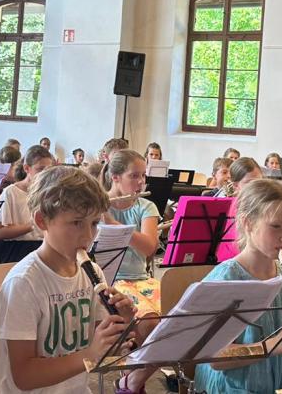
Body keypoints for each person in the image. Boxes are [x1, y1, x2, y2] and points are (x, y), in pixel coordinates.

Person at [0, 166, 140, 393]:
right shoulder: (24, 283)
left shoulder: (91, 271)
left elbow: (102, 354)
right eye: (76, 223)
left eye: (94, 223)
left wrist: (120, 325)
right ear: (42, 221)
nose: (88, 236)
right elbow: (23, 376)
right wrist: (88, 355)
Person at [194, 179, 282, 393]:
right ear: (248, 222)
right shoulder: (226, 280)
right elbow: (214, 358)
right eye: (275, 226)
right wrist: (275, 344)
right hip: (235, 386)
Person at [101, 149, 161, 393]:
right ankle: (134, 380)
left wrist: (113, 223)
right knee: (150, 324)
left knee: (180, 321)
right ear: (115, 177)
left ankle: (131, 380)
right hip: (110, 282)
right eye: (134, 176)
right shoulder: (98, 203)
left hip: (142, 280)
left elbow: (149, 247)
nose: (140, 182)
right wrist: (100, 212)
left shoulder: (146, 206)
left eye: (143, 176)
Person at [0, 145, 54, 263]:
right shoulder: (11, 192)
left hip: (42, 246)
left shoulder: (50, 192)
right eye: (40, 169)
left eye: (48, 170)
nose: (44, 174)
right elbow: (0, 232)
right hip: (17, 249)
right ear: (27, 168)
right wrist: (34, 225)